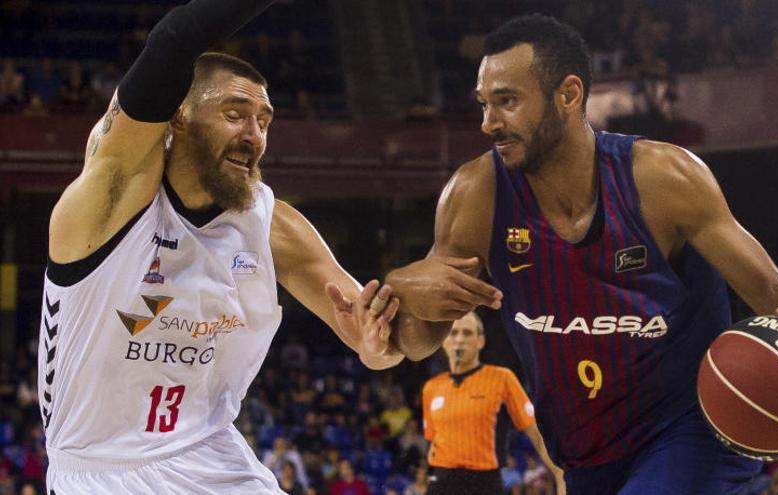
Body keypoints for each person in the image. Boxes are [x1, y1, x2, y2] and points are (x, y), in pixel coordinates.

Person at [385, 14, 778, 495]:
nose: (489, 122)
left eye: (507, 101)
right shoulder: (474, 195)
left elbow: (773, 289)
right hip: (585, 453)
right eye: (484, 104)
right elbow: (421, 342)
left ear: (568, 95)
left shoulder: (663, 179)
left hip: (689, 433)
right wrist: (400, 286)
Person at [36, 0, 494, 492]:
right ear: (179, 119)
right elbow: (172, 42)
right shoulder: (111, 198)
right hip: (101, 469)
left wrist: (377, 342)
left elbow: (373, 343)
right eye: (235, 114)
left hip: (211, 455)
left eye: (264, 122)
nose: (253, 136)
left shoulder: (269, 223)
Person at [421, 312, 563, 495]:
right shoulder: (431, 388)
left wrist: (559, 474)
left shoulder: (502, 378)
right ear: (443, 341)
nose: (459, 339)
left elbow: (535, 432)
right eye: (454, 333)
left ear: (480, 341)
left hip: (484, 482)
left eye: (467, 333)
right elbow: (432, 443)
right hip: (441, 482)